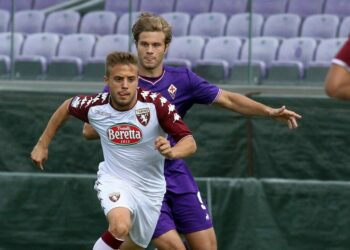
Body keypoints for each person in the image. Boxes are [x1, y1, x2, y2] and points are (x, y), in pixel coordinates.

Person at [83, 12, 302, 250]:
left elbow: (228, 99)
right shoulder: (123, 83)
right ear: (136, 45)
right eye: (144, 44)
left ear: (165, 47)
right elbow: (89, 130)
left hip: (176, 172)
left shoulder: (183, 79)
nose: (149, 50)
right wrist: (133, 127)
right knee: (173, 247)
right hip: (139, 179)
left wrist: (269, 111)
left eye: (156, 44)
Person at [31, 51, 197, 250]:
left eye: (131, 79)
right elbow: (67, 106)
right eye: (118, 79)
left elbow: (189, 142)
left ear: (138, 80)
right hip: (115, 179)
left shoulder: (157, 104)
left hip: (151, 189)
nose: (125, 85)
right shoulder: (95, 106)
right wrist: (42, 143)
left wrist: (172, 151)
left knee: (135, 244)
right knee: (119, 226)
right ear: (107, 80)